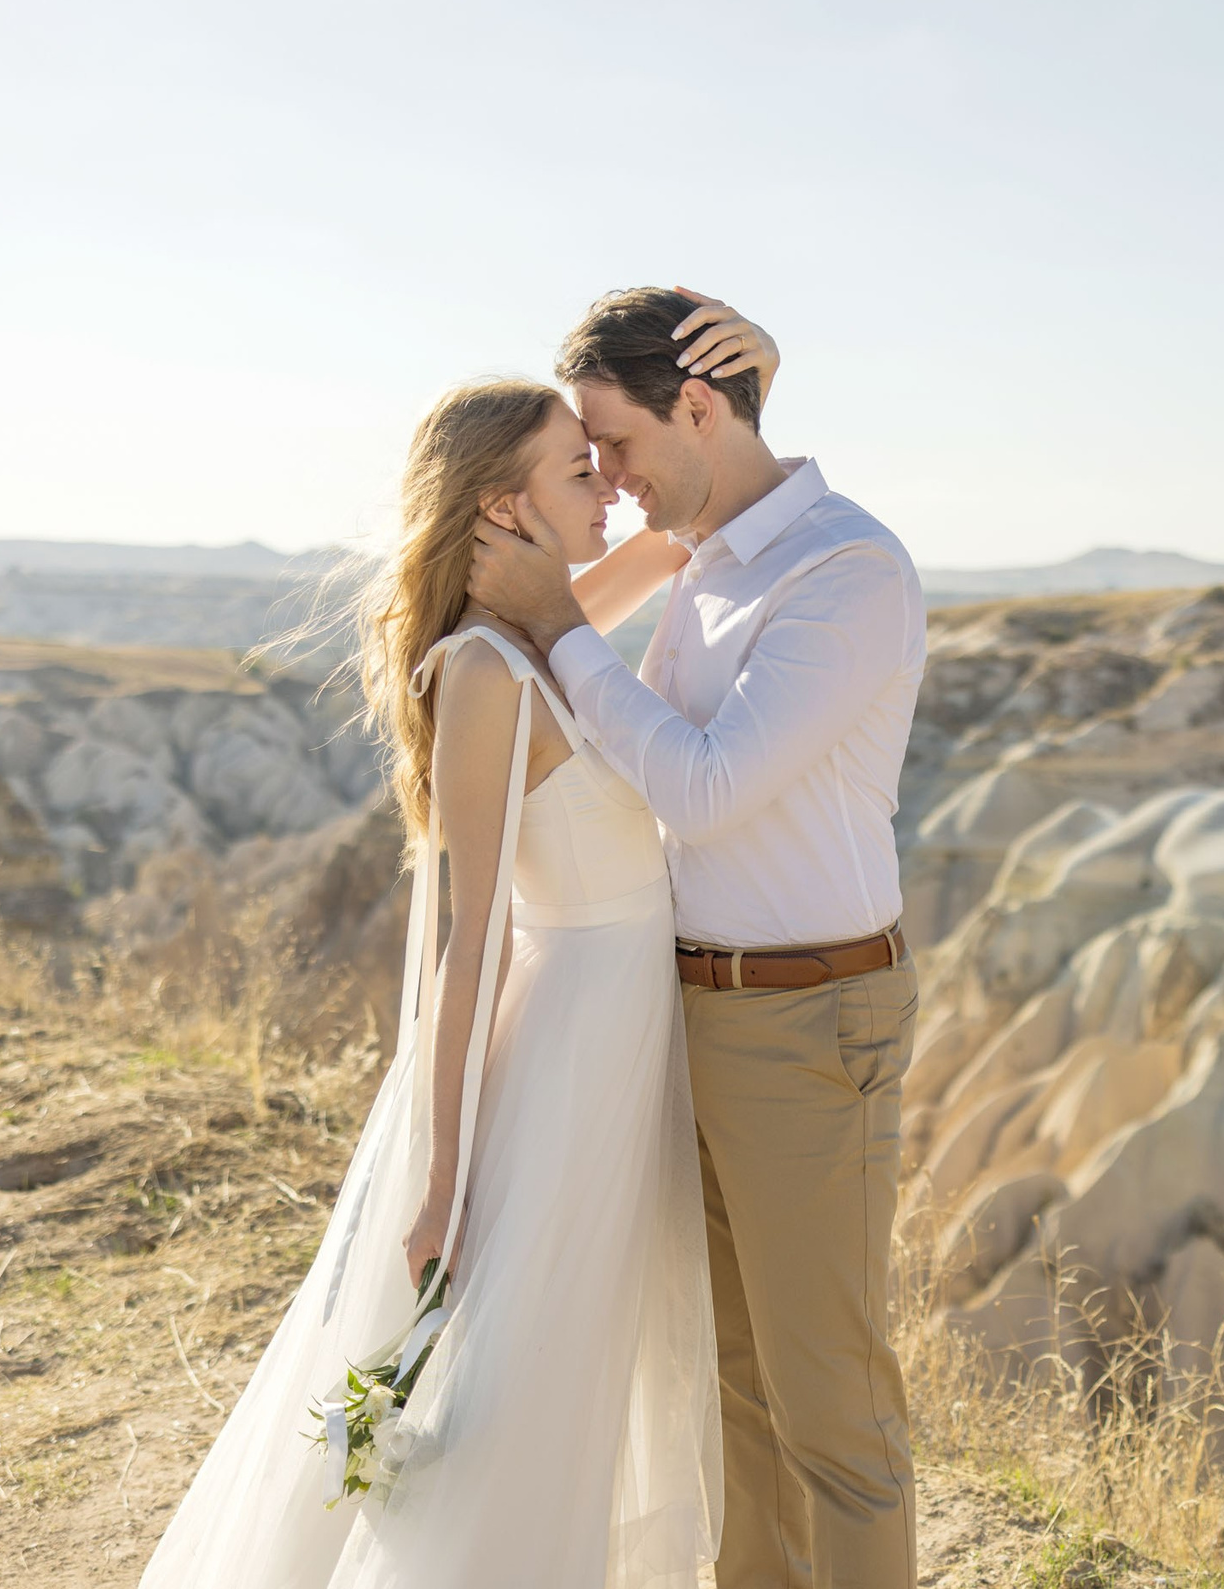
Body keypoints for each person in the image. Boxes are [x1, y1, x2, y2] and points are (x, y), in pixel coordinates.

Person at [138, 294, 783, 1588]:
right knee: (528, 1381)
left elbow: (693, 527)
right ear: (502, 506)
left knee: (585, 1372)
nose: (607, 486)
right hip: (572, 1053)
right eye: (576, 469)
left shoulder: (553, 627)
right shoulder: (486, 672)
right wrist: (444, 1176)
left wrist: (755, 377)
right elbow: (469, 943)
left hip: (628, 1034)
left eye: (601, 460)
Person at [465, 285, 927, 1589]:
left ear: (701, 407)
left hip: (806, 1019)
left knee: (832, 1410)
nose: (607, 477)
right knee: (739, 1390)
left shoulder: (847, 569)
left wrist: (563, 624)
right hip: (693, 1007)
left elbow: (707, 787)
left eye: (616, 442)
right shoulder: (705, 559)